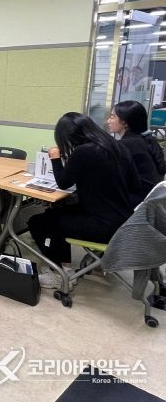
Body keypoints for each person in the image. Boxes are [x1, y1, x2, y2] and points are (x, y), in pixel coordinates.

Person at [28, 112, 142, 289]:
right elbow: (136, 185)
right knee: (54, 214)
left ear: (69, 136)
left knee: (39, 223)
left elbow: (63, 182)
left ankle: (59, 274)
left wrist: (55, 157)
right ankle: (64, 268)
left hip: (104, 226)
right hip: (124, 220)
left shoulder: (84, 151)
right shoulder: (117, 147)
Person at [108, 100, 165, 196]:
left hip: (135, 199)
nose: (108, 121)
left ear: (125, 122)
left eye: (112, 117)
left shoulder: (127, 144)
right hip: (147, 198)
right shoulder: (144, 140)